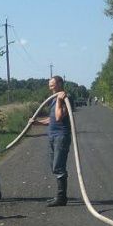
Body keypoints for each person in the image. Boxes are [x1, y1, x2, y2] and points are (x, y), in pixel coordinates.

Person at [29, 76, 71, 207]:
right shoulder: (54, 99)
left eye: (52, 85)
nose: (50, 87)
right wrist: (37, 122)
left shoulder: (65, 98)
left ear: (59, 84)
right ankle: (60, 196)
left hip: (61, 137)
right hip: (52, 136)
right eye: (49, 85)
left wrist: (59, 100)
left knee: (58, 166)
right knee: (54, 165)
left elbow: (59, 117)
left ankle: (61, 198)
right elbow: (51, 118)